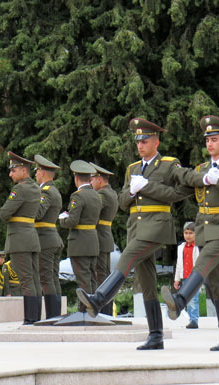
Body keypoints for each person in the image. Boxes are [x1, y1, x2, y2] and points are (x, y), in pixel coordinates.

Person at [78, 118, 185, 351]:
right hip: (136, 228)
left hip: (157, 226)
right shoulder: (132, 169)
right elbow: (123, 201)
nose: (140, 145)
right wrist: (133, 190)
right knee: (147, 282)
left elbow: (178, 193)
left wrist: (147, 186)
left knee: (127, 257)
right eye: (138, 142)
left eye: (145, 141)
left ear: (156, 142)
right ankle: (155, 335)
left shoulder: (169, 165)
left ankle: (99, 298)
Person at [161, 115, 219, 351]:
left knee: (204, 261)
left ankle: (180, 300)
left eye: (215, 139)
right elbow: (185, 182)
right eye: (207, 140)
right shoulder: (202, 169)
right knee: (217, 285)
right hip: (204, 228)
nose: (210, 144)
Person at [0, 152, 42, 324]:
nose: (11, 174)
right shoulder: (36, 188)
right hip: (31, 237)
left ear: (24, 170)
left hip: (19, 239)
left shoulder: (20, 189)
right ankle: (36, 317)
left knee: (25, 280)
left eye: (13, 170)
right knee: (34, 279)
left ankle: (30, 319)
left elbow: (4, 213)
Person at [59, 160, 101, 312]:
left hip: (79, 242)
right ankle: (94, 308)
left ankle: (85, 311)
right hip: (92, 240)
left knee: (83, 279)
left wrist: (62, 219)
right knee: (91, 277)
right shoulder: (96, 195)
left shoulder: (77, 196)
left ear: (76, 178)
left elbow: (72, 221)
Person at [33, 155, 63, 318]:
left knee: (46, 278)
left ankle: (52, 316)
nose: (35, 174)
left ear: (43, 173)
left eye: (37, 171)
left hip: (45, 239)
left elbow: (38, 213)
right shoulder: (54, 191)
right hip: (52, 238)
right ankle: (55, 315)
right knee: (52, 277)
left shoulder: (45, 192)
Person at [90, 162, 118, 316]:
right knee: (104, 276)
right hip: (105, 237)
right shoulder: (111, 193)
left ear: (99, 179)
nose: (90, 183)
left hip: (100, 238)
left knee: (101, 277)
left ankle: (103, 311)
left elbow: (91, 210)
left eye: (92, 179)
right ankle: (105, 311)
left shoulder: (102, 194)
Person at [175, 222, 200, 329]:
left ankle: (194, 320)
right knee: (187, 298)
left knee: (193, 299)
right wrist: (177, 279)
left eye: (191, 233)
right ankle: (191, 318)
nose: (188, 235)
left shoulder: (197, 247)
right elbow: (179, 264)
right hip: (185, 276)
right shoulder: (181, 247)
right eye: (186, 233)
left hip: (194, 277)